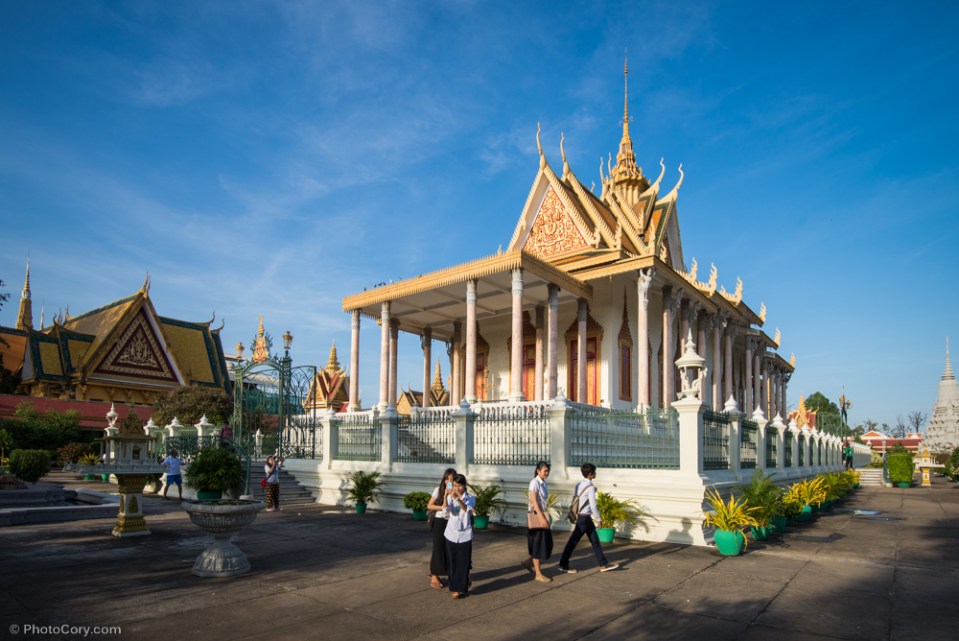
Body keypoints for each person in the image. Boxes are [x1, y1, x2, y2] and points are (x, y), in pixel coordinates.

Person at [558, 463, 619, 573]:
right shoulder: (590, 487)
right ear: (590, 474)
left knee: (595, 540)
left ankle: (603, 564)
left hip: (583, 517)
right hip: (584, 519)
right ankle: (563, 564)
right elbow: (593, 505)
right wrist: (599, 519)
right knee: (573, 542)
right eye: (594, 472)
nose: (596, 474)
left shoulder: (579, 485)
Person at [521, 461, 553, 583]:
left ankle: (528, 562)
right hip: (537, 517)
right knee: (538, 544)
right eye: (545, 471)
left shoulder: (543, 483)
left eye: (548, 471)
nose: (547, 473)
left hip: (542, 516)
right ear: (538, 471)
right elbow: (533, 500)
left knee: (545, 543)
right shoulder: (534, 482)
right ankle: (538, 574)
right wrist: (541, 517)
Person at [444, 473, 475, 599]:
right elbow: (446, 511)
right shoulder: (451, 496)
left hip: (465, 535)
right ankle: (455, 589)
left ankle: (461, 586)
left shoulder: (470, 497)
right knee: (452, 562)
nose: (457, 488)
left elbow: (466, 509)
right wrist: (446, 497)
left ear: (464, 486)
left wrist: (457, 498)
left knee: (463, 563)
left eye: (460, 486)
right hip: (451, 533)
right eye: (455, 486)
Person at [426, 468, 457, 589]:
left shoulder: (458, 490)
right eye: (447, 478)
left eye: (452, 478)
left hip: (452, 521)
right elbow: (430, 505)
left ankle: (450, 572)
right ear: (444, 480)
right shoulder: (438, 490)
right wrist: (443, 507)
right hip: (439, 521)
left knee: (450, 548)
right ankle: (434, 574)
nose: (449, 481)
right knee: (438, 547)